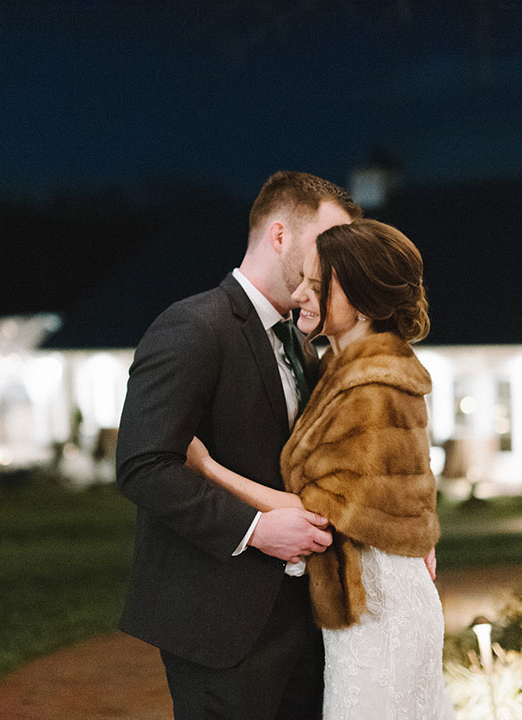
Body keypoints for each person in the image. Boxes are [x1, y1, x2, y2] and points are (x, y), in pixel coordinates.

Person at [116, 171, 361, 719]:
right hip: (218, 621)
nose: (338, 261)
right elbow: (143, 465)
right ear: (279, 235)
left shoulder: (305, 342)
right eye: (327, 244)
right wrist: (253, 529)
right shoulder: (192, 326)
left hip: (306, 620)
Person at [188, 218, 455, 719]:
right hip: (363, 606)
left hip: (379, 612)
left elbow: (320, 515)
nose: (300, 293)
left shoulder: (373, 386)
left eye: (318, 283)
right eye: (303, 280)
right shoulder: (340, 371)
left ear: (363, 296)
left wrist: (208, 469)